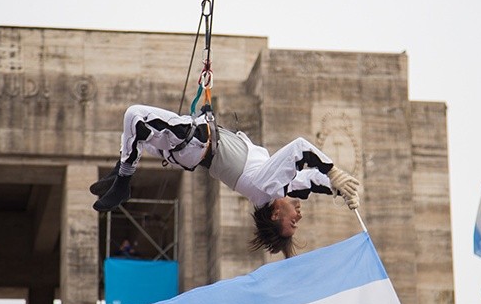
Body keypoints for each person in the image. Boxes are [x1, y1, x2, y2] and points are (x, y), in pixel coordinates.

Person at [90, 104, 361, 258]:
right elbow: (310, 181)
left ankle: (123, 180)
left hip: (193, 142)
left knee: (134, 117)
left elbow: (300, 149)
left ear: (276, 213)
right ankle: (119, 174)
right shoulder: (276, 188)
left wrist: (334, 171)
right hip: (194, 145)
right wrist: (339, 188)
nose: (299, 216)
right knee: (138, 133)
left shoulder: (266, 186)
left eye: (293, 222)